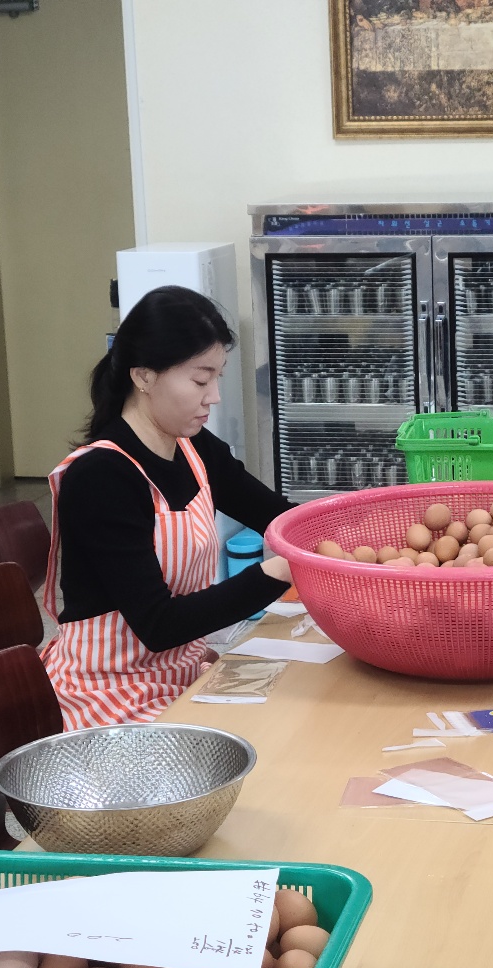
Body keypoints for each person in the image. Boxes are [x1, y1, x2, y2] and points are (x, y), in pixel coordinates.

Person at [41, 286, 294, 729]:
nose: (214, 396)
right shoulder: (102, 477)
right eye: (200, 380)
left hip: (178, 672)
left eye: (217, 378)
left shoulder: (193, 448)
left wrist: (343, 526)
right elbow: (159, 625)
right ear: (143, 376)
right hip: (110, 694)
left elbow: (278, 517)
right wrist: (279, 570)